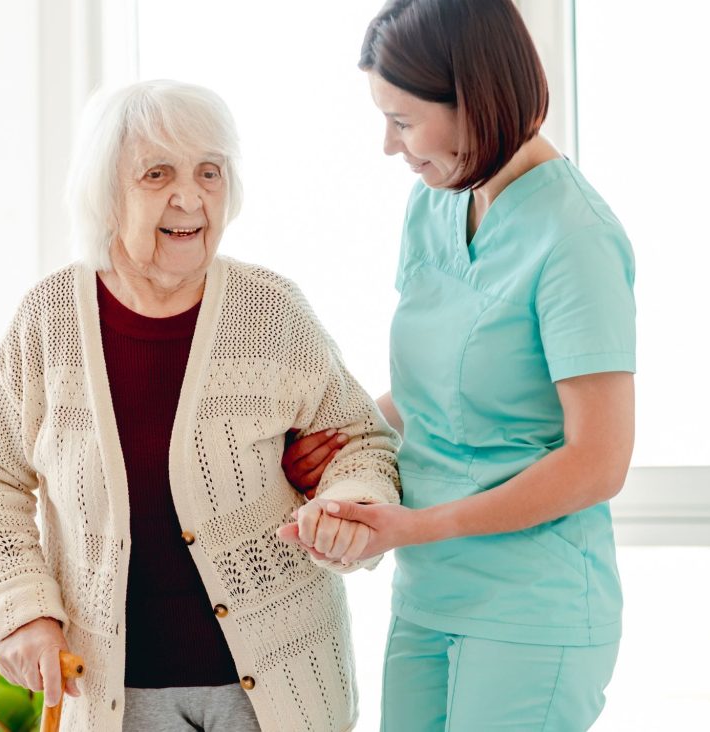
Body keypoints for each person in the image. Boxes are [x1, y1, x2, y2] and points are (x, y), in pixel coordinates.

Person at [0, 79, 400, 732]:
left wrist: (347, 503)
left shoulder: (271, 310)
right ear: (108, 193)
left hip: (278, 685)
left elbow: (360, 441)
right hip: (118, 694)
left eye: (208, 173)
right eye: (157, 174)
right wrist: (22, 606)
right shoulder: (50, 320)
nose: (188, 198)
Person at [278, 1, 636, 729]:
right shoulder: (432, 206)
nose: (389, 146)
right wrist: (347, 437)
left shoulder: (575, 237)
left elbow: (599, 461)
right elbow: (433, 391)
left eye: (404, 121)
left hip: (532, 608)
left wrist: (416, 525)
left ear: (474, 98)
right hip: (428, 593)